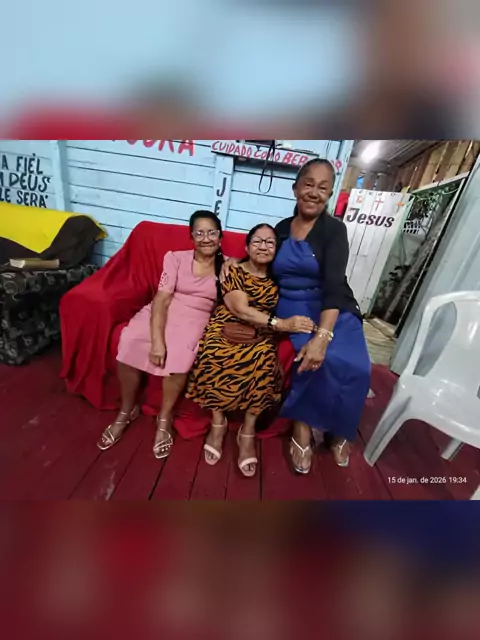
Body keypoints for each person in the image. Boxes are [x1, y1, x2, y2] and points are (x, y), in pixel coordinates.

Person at [222, 159, 371, 474]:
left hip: (333, 305)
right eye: (309, 184)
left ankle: (338, 430)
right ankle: (301, 429)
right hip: (293, 306)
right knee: (311, 361)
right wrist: (235, 261)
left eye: (323, 188)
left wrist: (323, 337)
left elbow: (334, 285)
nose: (314, 192)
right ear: (296, 188)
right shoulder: (280, 229)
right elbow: (260, 258)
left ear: (330, 194)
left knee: (357, 366)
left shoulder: (334, 230)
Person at [186, 224, 315, 478]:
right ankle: (218, 422)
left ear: (276, 250)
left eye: (270, 243)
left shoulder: (280, 278)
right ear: (246, 247)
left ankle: (247, 431)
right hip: (227, 324)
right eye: (257, 241)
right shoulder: (232, 270)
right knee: (212, 352)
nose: (263, 247)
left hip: (261, 331)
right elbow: (240, 309)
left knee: (264, 361)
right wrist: (281, 324)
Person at [97, 210, 225, 459]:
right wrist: (157, 341)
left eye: (212, 232)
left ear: (220, 237)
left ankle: (164, 418)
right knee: (130, 339)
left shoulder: (228, 267)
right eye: (199, 233)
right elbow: (162, 298)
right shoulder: (175, 258)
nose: (206, 238)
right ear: (191, 237)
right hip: (163, 310)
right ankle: (126, 410)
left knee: (182, 353)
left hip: (196, 317)